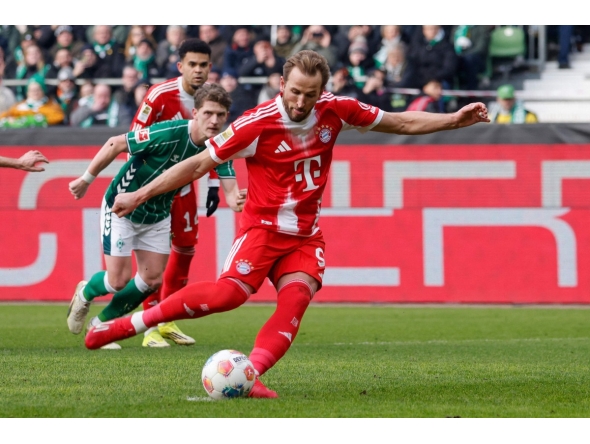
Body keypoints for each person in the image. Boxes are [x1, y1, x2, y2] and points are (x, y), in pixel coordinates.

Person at [84, 50, 490, 397]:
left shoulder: (336, 110)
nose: (300, 102)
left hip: (304, 234)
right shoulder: (255, 123)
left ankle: (251, 375)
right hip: (261, 230)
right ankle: (128, 323)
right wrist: (140, 194)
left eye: (309, 95)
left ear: (322, 92)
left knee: (297, 298)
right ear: (281, 83)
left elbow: (400, 122)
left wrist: (455, 120)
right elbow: (197, 164)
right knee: (228, 297)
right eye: (294, 91)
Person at [67, 83, 245, 350]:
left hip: (159, 214)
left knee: (151, 280)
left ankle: (100, 326)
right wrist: (86, 179)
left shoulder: (220, 147)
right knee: (117, 280)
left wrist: (238, 200)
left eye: (221, 115)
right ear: (195, 113)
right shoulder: (170, 132)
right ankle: (86, 292)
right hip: (122, 206)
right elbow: (115, 143)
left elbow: (231, 193)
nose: (214, 120)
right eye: (208, 113)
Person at [128, 38, 230, 348]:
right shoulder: (160, 95)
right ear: (180, 66)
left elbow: (219, 142)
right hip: (156, 189)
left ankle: (165, 319)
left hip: (185, 187)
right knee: (153, 260)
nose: (198, 70)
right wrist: (142, 185)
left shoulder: (211, 99)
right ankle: (149, 327)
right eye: (192, 64)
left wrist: (214, 184)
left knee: (186, 250)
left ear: (210, 67)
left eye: (203, 65)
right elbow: (134, 138)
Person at [0, 78, 65, 128]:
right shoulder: (20, 106)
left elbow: (59, 117)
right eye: (32, 90)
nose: (35, 92)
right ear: (27, 92)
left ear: (43, 90)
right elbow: (6, 115)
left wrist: (34, 119)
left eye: (37, 90)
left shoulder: (51, 105)